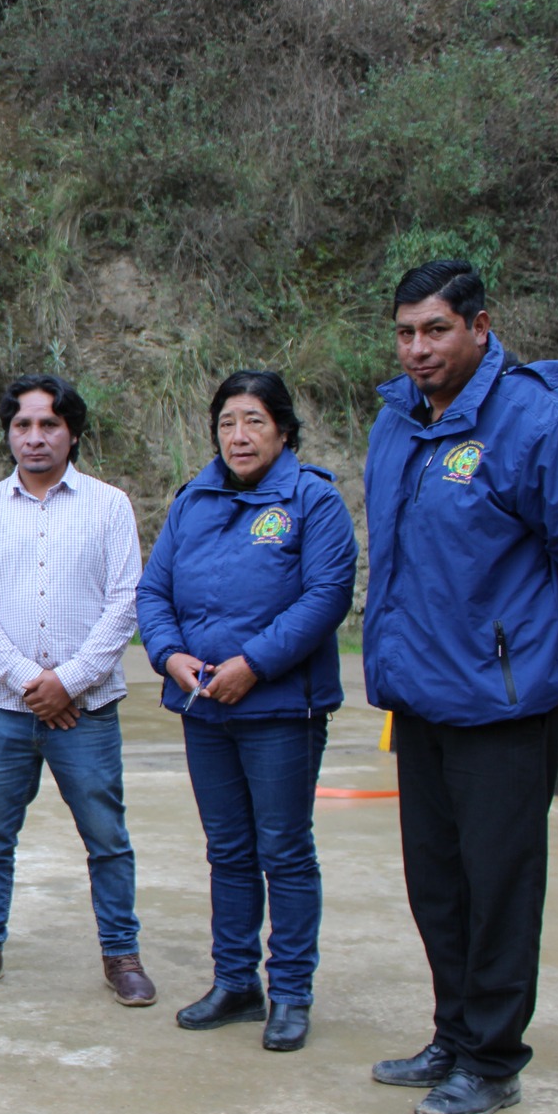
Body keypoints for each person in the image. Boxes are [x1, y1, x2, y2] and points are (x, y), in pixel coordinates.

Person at [363, 260, 558, 1114]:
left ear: (482, 326)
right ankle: (453, 1032)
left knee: (499, 886)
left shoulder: (537, 422)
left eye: (436, 330)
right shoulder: (398, 423)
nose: (418, 349)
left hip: (502, 708)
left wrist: (523, 645)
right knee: (437, 885)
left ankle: (492, 1058)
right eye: (407, 332)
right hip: (420, 698)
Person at [136, 371, 357, 1052]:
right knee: (228, 849)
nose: (239, 435)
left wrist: (253, 664)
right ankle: (235, 981)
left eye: (255, 420)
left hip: (281, 710)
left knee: (284, 850)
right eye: (228, 421)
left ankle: (290, 990)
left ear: (283, 430)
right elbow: (154, 591)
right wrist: (170, 655)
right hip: (203, 707)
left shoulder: (312, 501)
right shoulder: (192, 502)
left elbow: (325, 596)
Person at [0, 374, 154, 1006]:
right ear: (9, 433)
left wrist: (70, 682)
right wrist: (33, 683)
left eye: (48, 425)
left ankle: (122, 955)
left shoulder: (109, 506)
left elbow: (124, 603)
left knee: (106, 837)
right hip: (7, 709)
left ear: (73, 433)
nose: (34, 437)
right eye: (23, 425)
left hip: (88, 710)